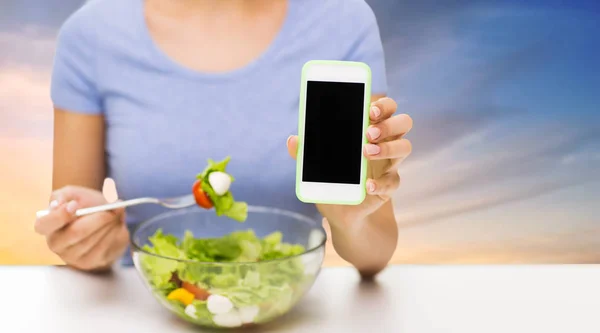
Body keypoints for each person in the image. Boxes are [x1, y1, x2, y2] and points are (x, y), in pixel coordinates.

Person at [34, 0, 413, 278]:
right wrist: (90, 239)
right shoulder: (91, 33)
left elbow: (374, 255)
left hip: (293, 309)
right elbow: (73, 226)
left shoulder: (343, 22)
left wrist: (351, 222)